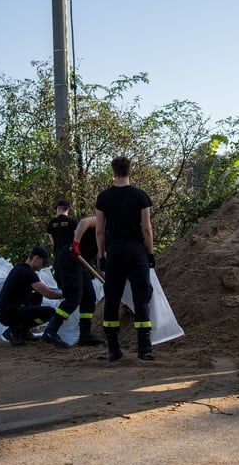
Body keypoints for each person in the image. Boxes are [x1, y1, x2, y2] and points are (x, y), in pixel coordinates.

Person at [96, 155, 156, 362]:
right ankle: (144, 348)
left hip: (114, 251)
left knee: (112, 297)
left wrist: (101, 256)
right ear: (130, 172)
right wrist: (150, 253)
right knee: (141, 296)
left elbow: (99, 231)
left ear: (113, 172)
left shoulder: (103, 198)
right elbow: (147, 228)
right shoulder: (140, 196)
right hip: (136, 250)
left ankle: (113, 349)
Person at [41, 216, 106, 348]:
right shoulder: (103, 220)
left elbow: (100, 257)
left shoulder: (111, 236)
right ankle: (50, 331)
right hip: (70, 256)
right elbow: (83, 222)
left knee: (89, 297)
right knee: (73, 298)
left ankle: (85, 334)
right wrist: (75, 244)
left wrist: (103, 275)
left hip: (81, 262)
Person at [0, 246, 64, 346]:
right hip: (9, 314)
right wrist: (67, 295)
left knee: (37, 295)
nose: (43, 266)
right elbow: (48, 294)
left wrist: (61, 291)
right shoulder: (27, 273)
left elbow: (44, 288)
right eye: (43, 262)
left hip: (4, 311)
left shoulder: (20, 268)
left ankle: (23, 331)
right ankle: (15, 331)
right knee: (49, 313)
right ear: (36, 258)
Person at [46, 199, 77, 278]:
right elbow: (77, 235)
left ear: (58, 209)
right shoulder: (72, 221)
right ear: (68, 210)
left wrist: (55, 245)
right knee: (70, 275)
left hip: (58, 252)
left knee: (59, 275)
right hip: (69, 253)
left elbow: (50, 235)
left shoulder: (52, 223)